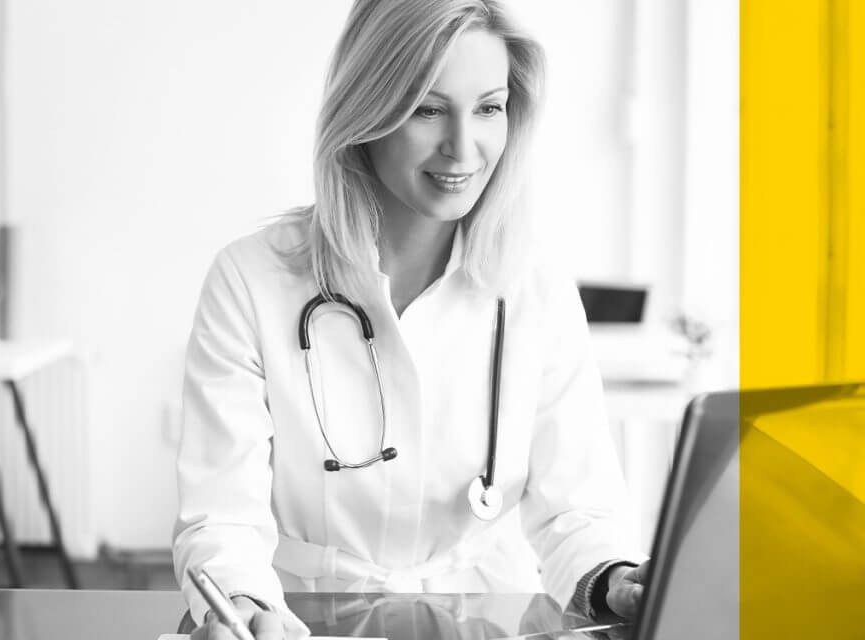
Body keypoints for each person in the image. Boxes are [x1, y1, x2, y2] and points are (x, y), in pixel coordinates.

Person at [175, 1, 648, 638]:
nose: (463, 147)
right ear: (366, 110)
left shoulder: (535, 286)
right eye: (427, 109)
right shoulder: (251, 279)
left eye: (489, 108)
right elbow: (221, 518)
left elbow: (578, 509)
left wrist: (616, 577)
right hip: (302, 620)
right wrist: (244, 607)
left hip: (489, 620)